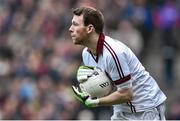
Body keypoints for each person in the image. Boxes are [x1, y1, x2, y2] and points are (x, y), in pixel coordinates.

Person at [69, 6, 167, 120]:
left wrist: (95, 102)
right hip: (122, 109)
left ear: (90, 28)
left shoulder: (113, 53)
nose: (70, 29)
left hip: (146, 108)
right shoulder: (86, 54)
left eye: (75, 24)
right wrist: (89, 90)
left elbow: (126, 94)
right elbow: (108, 88)